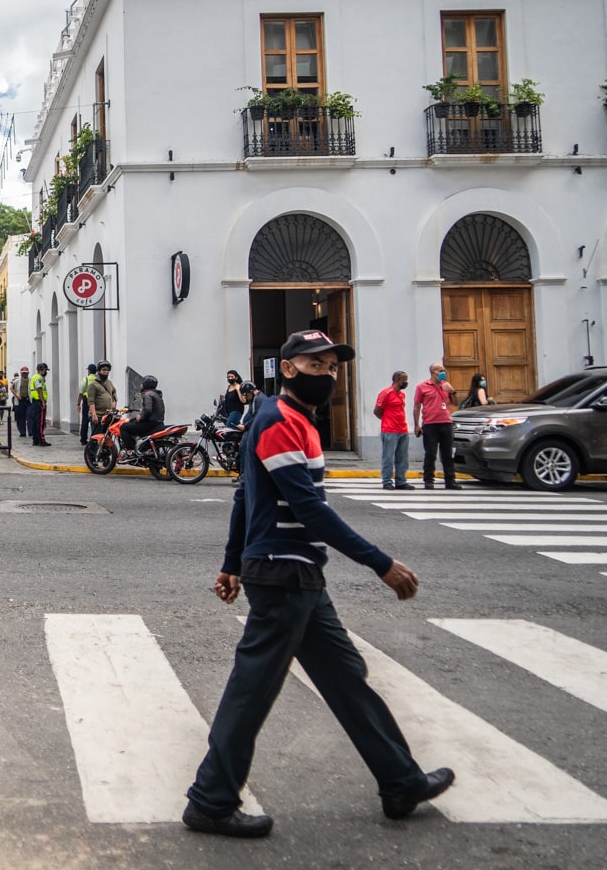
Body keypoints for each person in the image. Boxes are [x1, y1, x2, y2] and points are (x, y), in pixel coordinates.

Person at [184, 330, 453, 839]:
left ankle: (400, 780)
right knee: (252, 689)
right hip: (285, 575)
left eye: (332, 366)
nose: (327, 375)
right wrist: (380, 563)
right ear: (288, 369)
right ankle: (211, 800)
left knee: (346, 677)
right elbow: (309, 509)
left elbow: (246, 496)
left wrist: (231, 563)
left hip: (296, 572)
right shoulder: (279, 422)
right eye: (315, 365)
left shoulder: (284, 418)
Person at [412, 363, 460, 490]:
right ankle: (428, 480)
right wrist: (416, 425)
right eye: (441, 370)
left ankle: (450, 480)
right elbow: (417, 406)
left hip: (446, 422)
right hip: (430, 424)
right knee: (430, 453)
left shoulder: (446, 385)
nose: (443, 372)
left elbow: (455, 403)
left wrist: (453, 391)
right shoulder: (422, 387)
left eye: (444, 370)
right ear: (433, 372)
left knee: (448, 454)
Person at [374, 371, 413, 491]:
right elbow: (377, 410)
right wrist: (386, 420)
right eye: (404, 380)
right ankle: (387, 481)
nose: (406, 383)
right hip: (390, 429)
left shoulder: (402, 394)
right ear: (396, 380)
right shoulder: (386, 393)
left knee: (402, 457)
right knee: (388, 457)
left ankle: (401, 481)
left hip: (402, 429)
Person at [120, 374, 165, 454]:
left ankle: (130, 451)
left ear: (146, 384)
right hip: (157, 423)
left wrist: (141, 417)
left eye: (142, 383)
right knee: (132, 422)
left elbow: (147, 410)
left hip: (150, 423)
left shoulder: (147, 394)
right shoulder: (157, 394)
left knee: (124, 427)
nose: (141, 385)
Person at [86, 361, 118, 435]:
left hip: (108, 416)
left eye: (107, 370)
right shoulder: (93, 385)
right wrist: (94, 415)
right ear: (99, 371)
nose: (106, 372)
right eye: (103, 370)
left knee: (107, 438)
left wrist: (114, 403)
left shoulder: (109, 382)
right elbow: (91, 401)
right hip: (98, 416)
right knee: (97, 438)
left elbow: (114, 392)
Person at [28, 362, 51, 446]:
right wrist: (43, 401)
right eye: (45, 370)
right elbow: (39, 389)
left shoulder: (34, 377)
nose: (46, 372)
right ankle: (41, 440)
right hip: (39, 402)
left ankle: (35, 440)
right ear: (42, 370)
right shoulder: (39, 378)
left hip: (35, 402)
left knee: (35, 422)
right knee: (40, 422)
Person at [78, 363, 97, 444]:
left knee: (85, 420)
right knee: (95, 420)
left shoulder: (85, 380)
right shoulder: (98, 379)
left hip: (86, 402)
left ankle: (83, 439)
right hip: (96, 402)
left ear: (89, 371)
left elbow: (80, 393)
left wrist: (78, 404)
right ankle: (95, 438)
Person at [12, 366, 31, 439]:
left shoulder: (31, 380)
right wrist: (16, 395)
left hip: (28, 400)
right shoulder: (17, 380)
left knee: (30, 416)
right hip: (20, 401)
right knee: (20, 417)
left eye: (26, 373)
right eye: (23, 373)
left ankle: (30, 431)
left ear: (28, 373)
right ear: (21, 373)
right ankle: (22, 432)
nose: (25, 374)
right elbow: (11, 387)